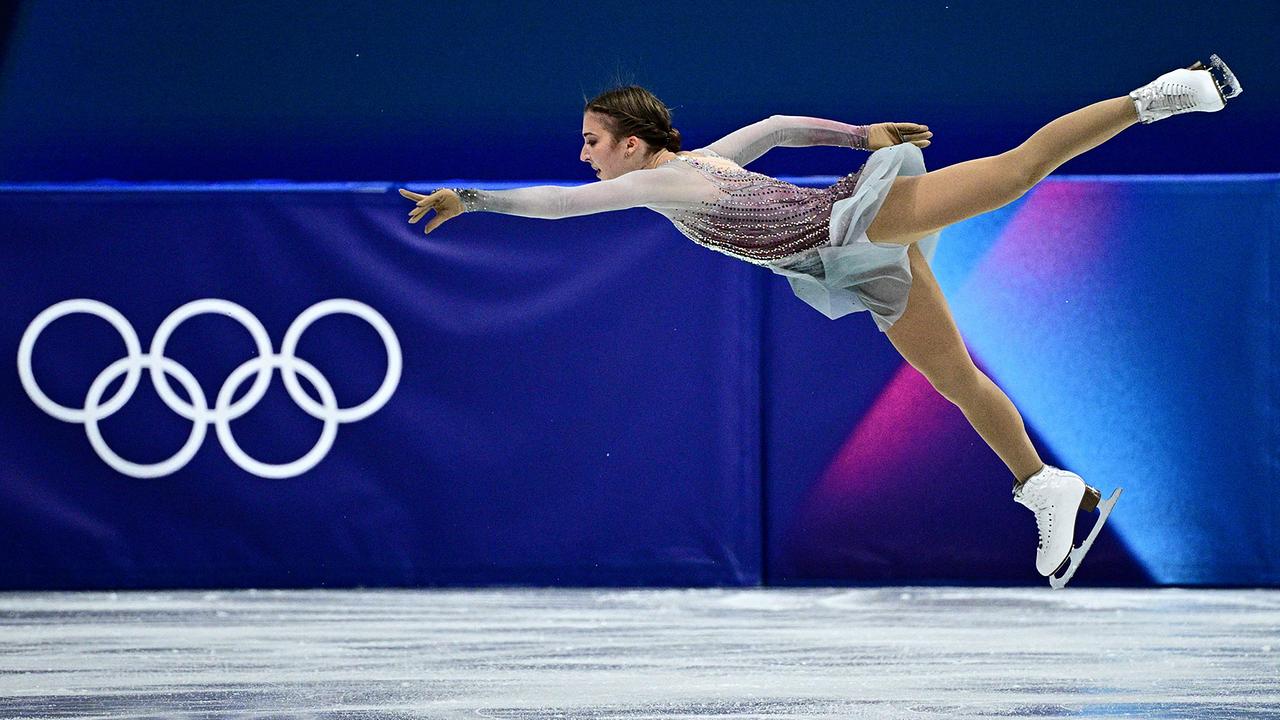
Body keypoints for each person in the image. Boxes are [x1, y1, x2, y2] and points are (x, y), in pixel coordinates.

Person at [399, 54, 1243, 586]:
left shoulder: (656, 181)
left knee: (1021, 167)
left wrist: (468, 198)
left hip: (856, 223)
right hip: (851, 257)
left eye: (592, 140)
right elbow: (772, 127)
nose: (584, 154)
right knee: (955, 380)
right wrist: (860, 131)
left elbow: (556, 207)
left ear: (628, 143)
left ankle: (1163, 95)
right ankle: (1043, 486)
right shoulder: (697, 166)